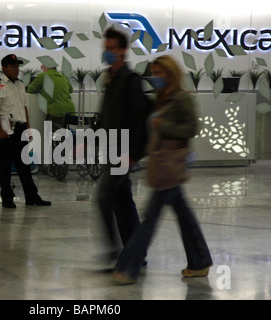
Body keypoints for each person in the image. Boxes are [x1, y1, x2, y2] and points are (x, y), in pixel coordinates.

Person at [113, 55, 213, 285]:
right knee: (184, 216)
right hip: (161, 164)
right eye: (154, 74)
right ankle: (199, 261)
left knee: (150, 218)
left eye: (160, 73)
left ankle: (128, 267)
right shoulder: (161, 98)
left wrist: (163, 125)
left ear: (171, 73)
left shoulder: (181, 98)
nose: (156, 78)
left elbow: (191, 127)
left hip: (171, 165)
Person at [96, 28, 149, 268]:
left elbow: (141, 120)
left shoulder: (130, 80)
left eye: (112, 49)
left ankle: (114, 250)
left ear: (123, 50)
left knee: (104, 197)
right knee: (122, 201)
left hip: (123, 152)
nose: (108, 53)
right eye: (106, 49)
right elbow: (107, 116)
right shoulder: (110, 79)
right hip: (110, 149)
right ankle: (136, 253)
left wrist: (134, 155)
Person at [0, 54, 51, 208]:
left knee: (24, 164)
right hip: (6, 130)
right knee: (5, 166)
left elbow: (24, 107)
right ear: (4, 68)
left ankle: (31, 196)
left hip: (20, 127)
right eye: (13, 66)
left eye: (17, 66)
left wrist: (28, 128)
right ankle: (7, 198)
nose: (16, 69)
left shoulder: (21, 84)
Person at [27, 65, 75, 129]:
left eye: (43, 67)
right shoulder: (63, 77)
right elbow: (71, 90)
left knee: (51, 135)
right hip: (70, 110)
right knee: (65, 134)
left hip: (56, 110)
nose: (42, 69)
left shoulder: (43, 76)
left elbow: (30, 89)